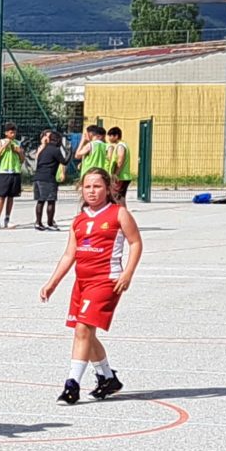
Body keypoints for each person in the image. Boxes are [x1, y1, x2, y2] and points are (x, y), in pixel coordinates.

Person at [42, 169, 143, 405]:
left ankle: (72, 385)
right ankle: (107, 378)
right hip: (82, 282)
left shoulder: (119, 214)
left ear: (108, 189)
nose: (92, 191)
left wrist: (128, 273)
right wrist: (52, 283)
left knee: (82, 330)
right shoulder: (79, 219)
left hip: (106, 280)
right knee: (85, 332)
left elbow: (136, 243)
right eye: (87, 187)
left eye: (97, 186)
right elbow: (69, 255)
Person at [31, 129, 66, 231]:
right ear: (57, 140)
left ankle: (38, 222)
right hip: (48, 178)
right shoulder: (55, 150)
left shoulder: (43, 149)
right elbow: (64, 161)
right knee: (51, 200)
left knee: (40, 201)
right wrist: (70, 153)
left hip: (38, 177)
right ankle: (50, 223)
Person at [0, 123, 25, 230]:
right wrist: (4, 146)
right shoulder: (1, 142)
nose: (13, 134)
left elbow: (22, 160)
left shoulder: (17, 143)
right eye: (11, 132)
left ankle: (7, 218)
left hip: (15, 171)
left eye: (14, 132)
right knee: (1, 196)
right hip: (4, 172)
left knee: (11, 196)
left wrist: (19, 152)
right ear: (6, 133)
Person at [105, 126, 133, 190]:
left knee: (116, 195)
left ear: (116, 136)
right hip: (121, 177)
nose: (109, 138)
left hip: (121, 177)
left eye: (110, 136)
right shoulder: (122, 145)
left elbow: (120, 161)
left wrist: (115, 174)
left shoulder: (120, 146)